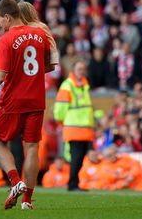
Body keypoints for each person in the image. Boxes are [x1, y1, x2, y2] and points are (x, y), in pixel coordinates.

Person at [0, 0, 51, 210]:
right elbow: (47, 66)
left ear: (7, 17)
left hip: (13, 100)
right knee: (32, 148)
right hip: (36, 99)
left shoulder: (5, 40)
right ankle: (27, 201)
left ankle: (15, 182)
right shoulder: (40, 35)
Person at [54, 60, 95, 191]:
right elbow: (60, 107)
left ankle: (74, 183)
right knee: (76, 157)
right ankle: (72, 185)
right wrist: (61, 121)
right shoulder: (68, 85)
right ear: (73, 70)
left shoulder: (84, 84)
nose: (81, 71)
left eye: (83, 69)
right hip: (73, 127)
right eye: (79, 69)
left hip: (84, 128)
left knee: (80, 158)